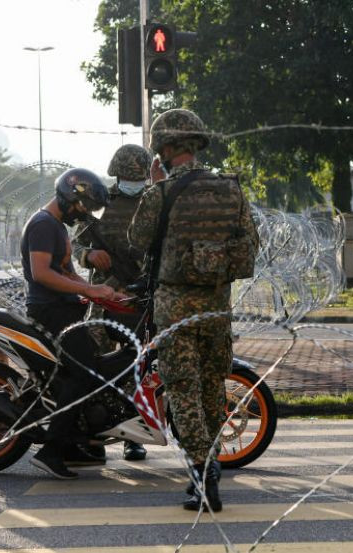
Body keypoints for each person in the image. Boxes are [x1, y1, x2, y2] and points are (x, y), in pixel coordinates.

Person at [129, 108, 259, 511]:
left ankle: (204, 475)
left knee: (183, 393)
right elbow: (250, 245)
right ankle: (209, 465)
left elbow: (137, 240)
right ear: (197, 143)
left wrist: (155, 187)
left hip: (175, 310)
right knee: (209, 390)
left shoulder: (161, 193)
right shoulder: (231, 190)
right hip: (216, 308)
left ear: (165, 148)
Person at [21, 168, 124, 479]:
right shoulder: (43, 225)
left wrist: (101, 293)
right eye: (82, 207)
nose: (83, 215)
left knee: (79, 373)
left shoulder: (55, 225)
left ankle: (69, 444)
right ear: (69, 198)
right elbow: (41, 273)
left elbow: (65, 272)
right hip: (50, 312)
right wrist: (87, 289)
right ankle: (51, 449)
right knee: (86, 373)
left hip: (64, 309)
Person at [72, 144, 155, 462]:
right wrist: (88, 255)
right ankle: (93, 434)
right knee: (96, 362)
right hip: (104, 298)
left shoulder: (154, 201)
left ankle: (133, 436)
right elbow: (75, 241)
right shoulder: (100, 202)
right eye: (126, 176)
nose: (131, 181)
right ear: (116, 174)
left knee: (139, 367)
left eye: (137, 177)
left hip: (140, 298)